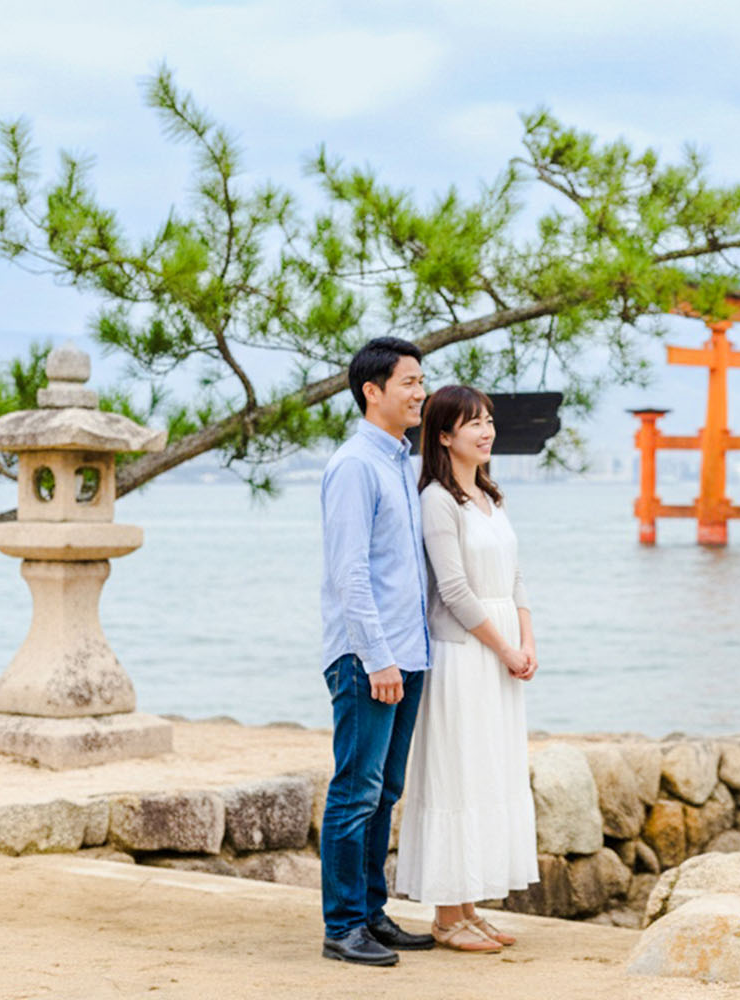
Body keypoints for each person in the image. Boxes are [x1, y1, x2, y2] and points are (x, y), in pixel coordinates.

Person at [394, 385, 540, 952]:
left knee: (487, 774)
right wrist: (503, 647)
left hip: (501, 649)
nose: (486, 430)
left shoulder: (490, 495)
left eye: (488, 420)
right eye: (472, 423)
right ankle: (446, 916)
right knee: (456, 773)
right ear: (444, 435)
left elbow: (517, 575)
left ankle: (469, 908)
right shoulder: (437, 498)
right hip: (464, 654)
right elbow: (452, 589)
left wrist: (527, 639)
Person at [318, 337, 437, 966]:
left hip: (407, 655)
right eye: (409, 382)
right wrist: (377, 658)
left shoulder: (398, 462)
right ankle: (342, 927)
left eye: (421, 381)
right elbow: (350, 574)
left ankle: (370, 911)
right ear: (373, 391)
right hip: (371, 658)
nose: (420, 393)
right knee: (355, 789)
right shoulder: (355, 465)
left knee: (385, 791)